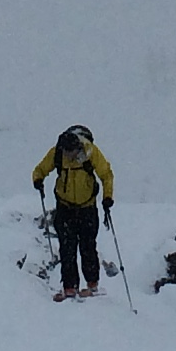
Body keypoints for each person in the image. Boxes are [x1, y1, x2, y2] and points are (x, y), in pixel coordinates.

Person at [33, 124, 115, 300]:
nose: (68, 156)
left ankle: (92, 285)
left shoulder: (90, 152)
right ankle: (70, 287)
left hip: (87, 207)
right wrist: (38, 179)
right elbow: (40, 169)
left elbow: (106, 174)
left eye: (71, 152)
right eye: (66, 152)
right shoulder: (57, 152)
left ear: (78, 147)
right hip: (65, 207)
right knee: (67, 248)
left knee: (88, 246)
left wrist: (108, 198)